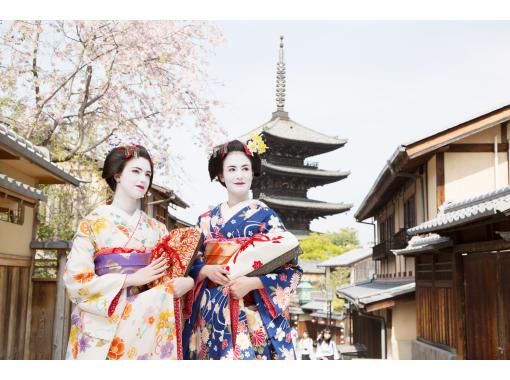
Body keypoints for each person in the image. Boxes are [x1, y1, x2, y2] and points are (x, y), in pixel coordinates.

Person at [63, 144, 194, 360]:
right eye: (135, 171)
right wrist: (130, 279)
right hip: (101, 325)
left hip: (145, 326)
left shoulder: (157, 229)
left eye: (147, 174)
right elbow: (75, 280)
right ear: (117, 175)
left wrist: (187, 283)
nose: (143, 179)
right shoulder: (93, 223)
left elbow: (177, 271)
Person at [182, 137, 303, 360]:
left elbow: (292, 272)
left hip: (250, 315)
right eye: (232, 169)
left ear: (253, 173)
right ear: (221, 175)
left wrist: (253, 282)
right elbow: (187, 264)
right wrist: (205, 270)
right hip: (210, 316)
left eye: (245, 168)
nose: (239, 175)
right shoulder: (206, 220)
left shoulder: (267, 218)